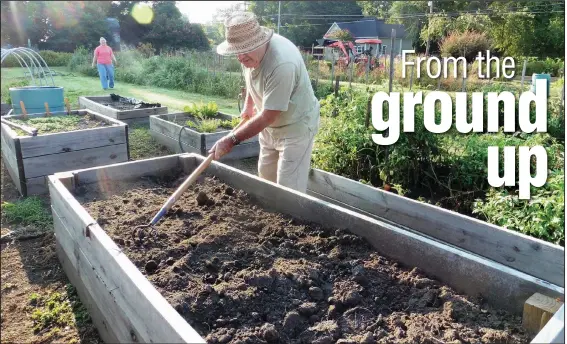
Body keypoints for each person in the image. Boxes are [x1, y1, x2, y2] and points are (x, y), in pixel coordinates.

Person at [211, 12, 320, 193]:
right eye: (236, 52)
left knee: (288, 189)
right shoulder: (248, 54)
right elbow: (252, 76)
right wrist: (249, 104)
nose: (240, 58)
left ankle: (291, 218)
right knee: (266, 180)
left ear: (259, 42)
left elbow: (269, 115)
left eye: (243, 51)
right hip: (269, 127)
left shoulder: (282, 64)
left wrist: (231, 140)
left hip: (296, 126)